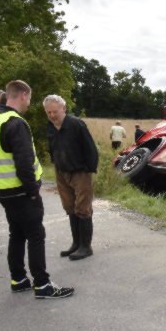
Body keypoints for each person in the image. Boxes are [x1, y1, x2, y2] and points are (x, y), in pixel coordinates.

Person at [0, 80, 73, 298]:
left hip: (1, 188)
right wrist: (33, 191)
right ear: (23, 95)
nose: (29, 103)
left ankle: (19, 279)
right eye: (30, 98)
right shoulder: (15, 123)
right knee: (35, 234)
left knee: (16, 233)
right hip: (20, 190)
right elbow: (23, 162)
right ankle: (42, 285)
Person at [43, 94, 98, 260]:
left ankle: (85, 246)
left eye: (55, 111)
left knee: (82, 208)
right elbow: (52, 148)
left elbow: (90, 148)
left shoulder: (76, 124)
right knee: (69, 207)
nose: (52, 115)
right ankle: (76, 244)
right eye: (48, 112)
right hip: (61, 172)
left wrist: (89, 170)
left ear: (63, 109)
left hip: (80, 171)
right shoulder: (50, 126)